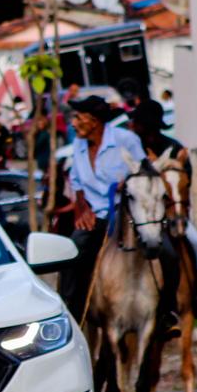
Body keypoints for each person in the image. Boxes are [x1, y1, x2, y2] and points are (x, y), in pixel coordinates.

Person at [127, 98, 197, 318]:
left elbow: (185, 184)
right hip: (142, 215)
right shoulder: (134, 150)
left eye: (138, 123)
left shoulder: (174, 148)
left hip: (172, 213)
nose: (134, 127)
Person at [60, 95, 148, 315]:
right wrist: (82, 209)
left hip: (127, 214)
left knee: (161, 249)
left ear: (94, 121)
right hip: (96, 215)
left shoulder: (125, 139)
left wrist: (128, 182)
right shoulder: (79, 144)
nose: (73, 123)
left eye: (78, 118)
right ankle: (70, 312)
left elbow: (144, 171)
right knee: (72, 252)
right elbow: (76, 181)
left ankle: (171, 309)